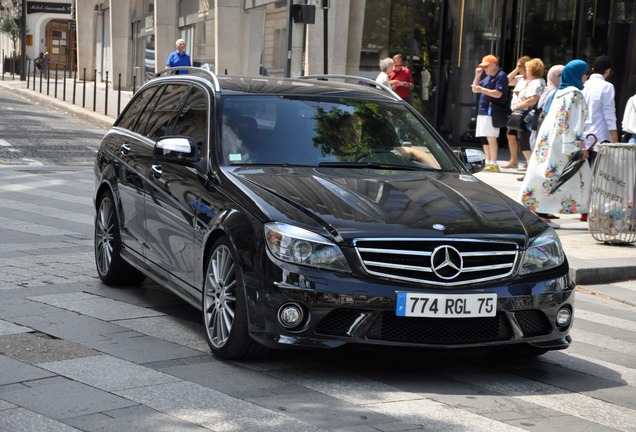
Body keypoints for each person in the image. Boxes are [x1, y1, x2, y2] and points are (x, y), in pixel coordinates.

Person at [517, 59, 590, 226]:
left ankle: (538, 208)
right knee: (572, 176)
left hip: (550, 142)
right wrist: (578, 146)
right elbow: (574, 122)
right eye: (586, 73)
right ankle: (542, 211)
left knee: (547, 176)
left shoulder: (560, 92)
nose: (587, 76)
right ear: (578, 74)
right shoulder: (574, 94)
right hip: (564, 144)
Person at [471, 54, 509, 172]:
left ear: (493, 65)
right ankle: (488, 161)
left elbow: (498, 93)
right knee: (484, 137)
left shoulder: (501, 76)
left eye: (486, 66)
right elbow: (474, 88)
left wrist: (483, 89)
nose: (485, 69)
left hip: (492, 111)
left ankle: (494, 162)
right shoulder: (487, 77)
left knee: (491, 137)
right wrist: (477, 75)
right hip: (483, 110)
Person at [507, 58, 545, 172]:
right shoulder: (531, 81)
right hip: (527, 116)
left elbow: (533, 99)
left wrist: (518, 105)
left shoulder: (537, 82)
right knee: (525, 142)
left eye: (527, 69)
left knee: (527, 143)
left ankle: (531, 169)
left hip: (530, 116)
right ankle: (529, 168)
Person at [503, 56, 531, 169]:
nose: (519, 68)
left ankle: (527, 160)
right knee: (510, 134)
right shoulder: (520, 78)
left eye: (520, 66)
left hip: (524, 112)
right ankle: (513, 160)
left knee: (524, 137)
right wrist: (515, 69)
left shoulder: (531, 80)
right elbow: (506, 80)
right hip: (515, 111)